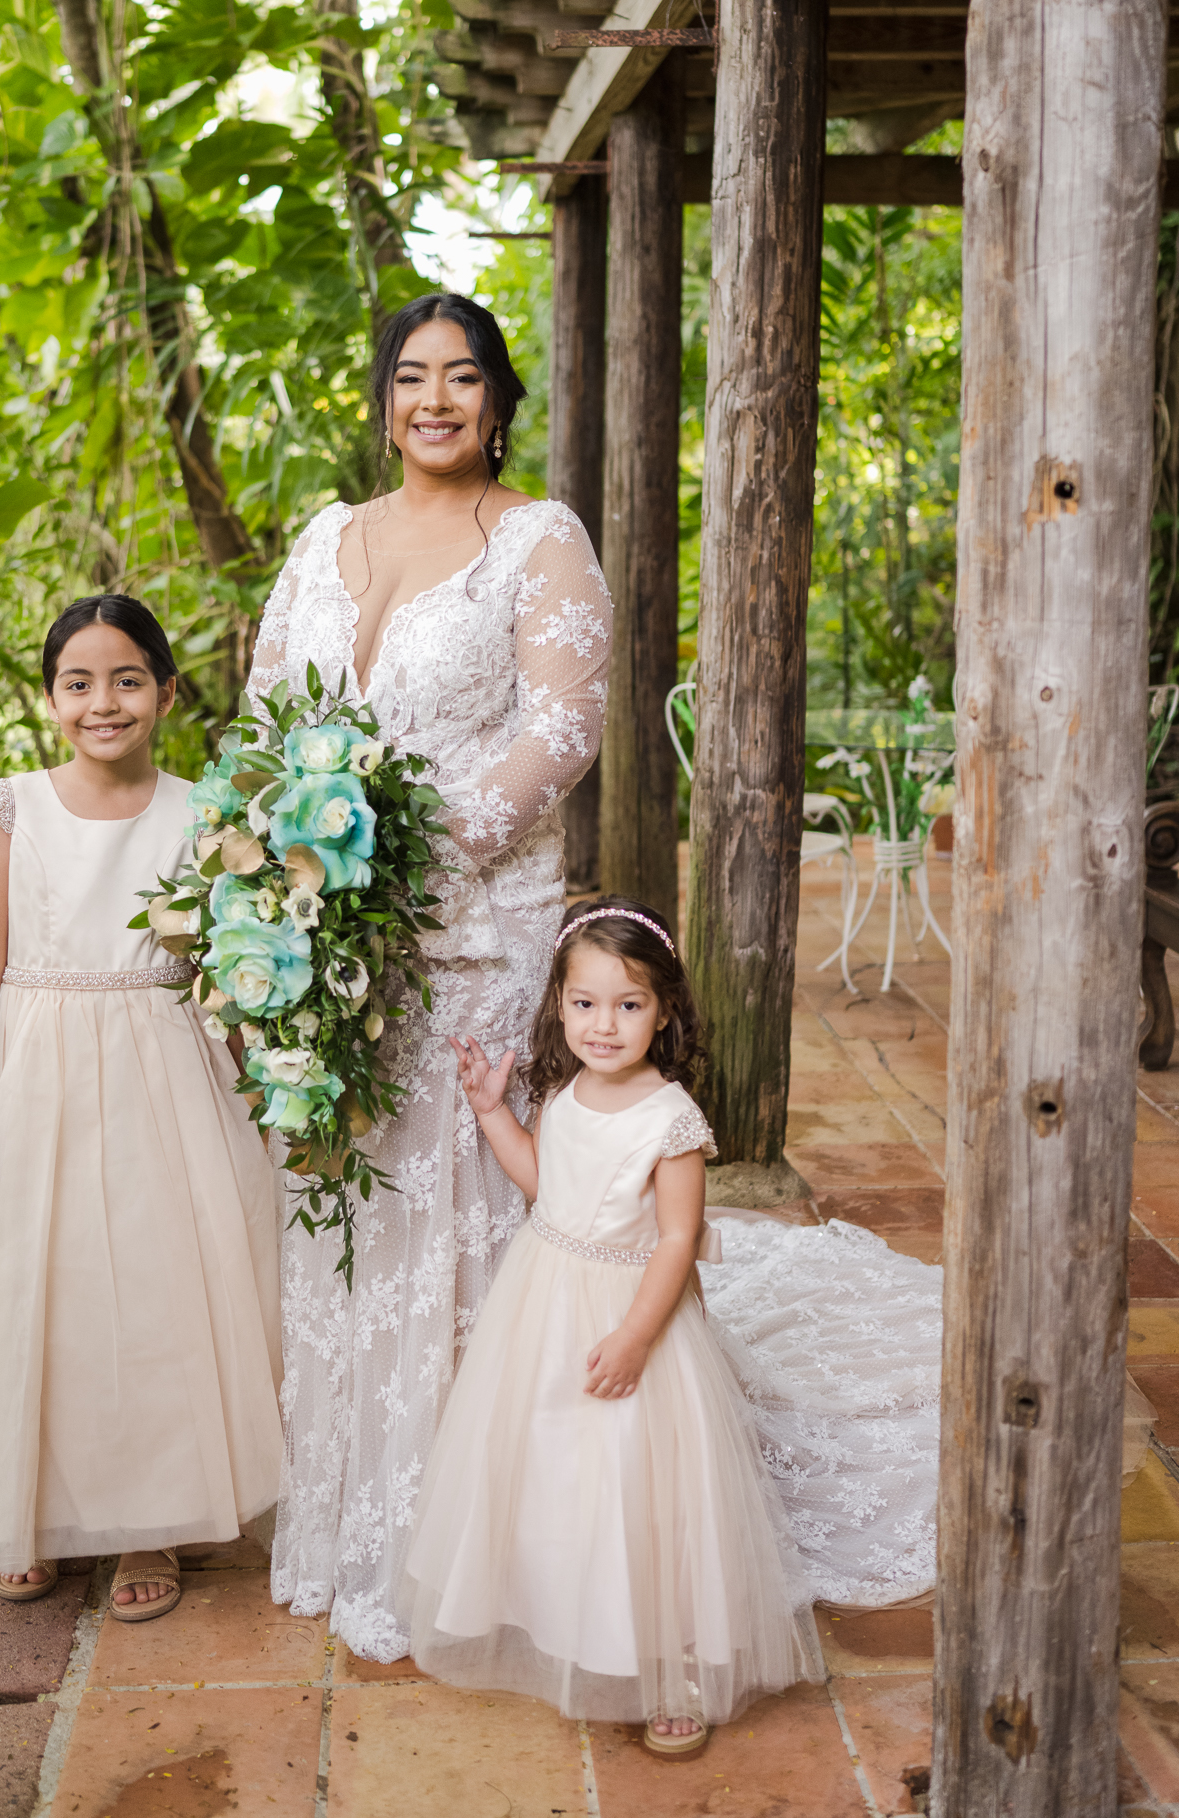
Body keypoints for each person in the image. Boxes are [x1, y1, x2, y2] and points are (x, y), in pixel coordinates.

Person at [246, 292, 613, 1661]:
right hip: (321, 930)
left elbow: (561, 730)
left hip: (468, 922)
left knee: (462, 1192)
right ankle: (359, 1509)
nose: (437, 399)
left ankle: (490, 1530)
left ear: (497, 398)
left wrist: (396, 864)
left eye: (463, 376)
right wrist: (287, 866)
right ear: (383, 397)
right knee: (351, 1183)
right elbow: (269, 715)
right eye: (413, 376)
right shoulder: (323, 539)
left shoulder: (537, 537)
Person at [0, 594, 283, 1622]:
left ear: (168, 693)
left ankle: (148, 1518)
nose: (105, 701)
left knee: (150, 1292)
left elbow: (227, 964)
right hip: (36, 1073)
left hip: (162, 1073)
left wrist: (265, 1089)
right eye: (79, 682)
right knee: (32, 1290)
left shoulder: (204, 812)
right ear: (50, 699)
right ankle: (29, 1515)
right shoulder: (17, 807)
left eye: (129, 678)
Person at [401, 898, 825, 1754]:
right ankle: (558, 1616)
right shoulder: (561, 1092)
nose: (605, 1024)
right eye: (586, 1003)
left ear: (663, 1011)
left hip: (633, 1312)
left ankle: (673, 1662)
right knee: (551, 1469)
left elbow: (676, 1242)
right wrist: (493, 1114)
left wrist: (636, 1337)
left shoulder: (671, 1120)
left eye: (629, 1005)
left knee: (641, 1480)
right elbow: (543, 1186)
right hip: (543, 1299)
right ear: (560, 1005)